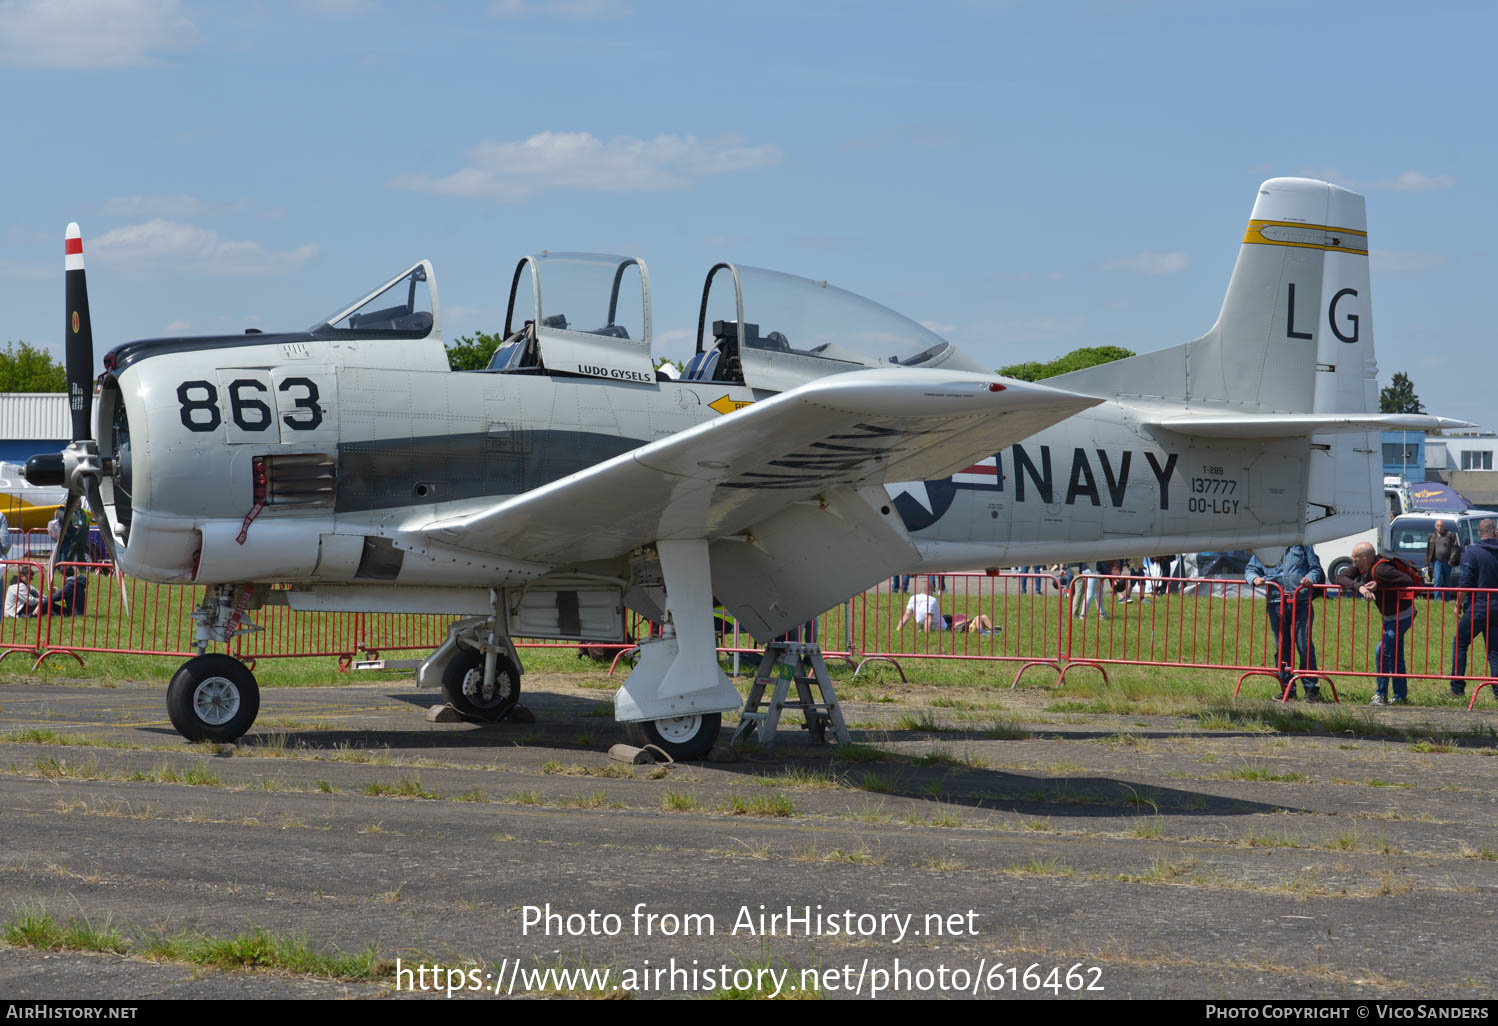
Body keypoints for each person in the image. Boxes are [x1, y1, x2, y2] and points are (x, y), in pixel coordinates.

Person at [1335, 542, 1421, 705]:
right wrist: (1359, 587)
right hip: (1390, 616)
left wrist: (1379, 585)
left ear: (1364, 558)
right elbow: (1340, 578)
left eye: (1354, 557)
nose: (1351, 559)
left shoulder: (1381, 569)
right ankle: (1400, 696)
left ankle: (1381, 695)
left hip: (1402, 615)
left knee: (1382, 651)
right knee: (1395, 655)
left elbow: (1407, 580)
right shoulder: (1360, 566)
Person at [1246, 545, 1325, 701]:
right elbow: (1250, 569)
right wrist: (1254, 579)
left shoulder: (1303, 545)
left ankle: (1310, 689)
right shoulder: (1266, 547)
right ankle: (1287, 688)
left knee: (1304, 645)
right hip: (1276, 601)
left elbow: (1315, 569)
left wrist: (1310, 578)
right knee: (1281, 646)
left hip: (1301, 600)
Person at [1450, 518, 1498, 698]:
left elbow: (1465, 582)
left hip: (1478, 607)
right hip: (1497, 608)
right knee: (1494, 651)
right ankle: (1497, 691)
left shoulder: (1473, 552)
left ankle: (1457, 688)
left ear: (1479, 534)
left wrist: (1458, 604)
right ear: (1495, 532)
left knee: (1460, 643)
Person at [1426, 520, 1461, 601]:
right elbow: (1428, 551)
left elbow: (1455, 548)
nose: (1440, 527)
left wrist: (1452, 560)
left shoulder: (1450, 535)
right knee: (1437, 580)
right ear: (1435, 526)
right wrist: (1427, 563)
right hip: (1437, 561)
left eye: (1441, 525)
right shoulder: (1432, 536)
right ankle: (1437, 600)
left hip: (1447, 562)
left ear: (1444, 526)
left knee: (1447, 581)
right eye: (1438, 525)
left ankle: (1447, 599)